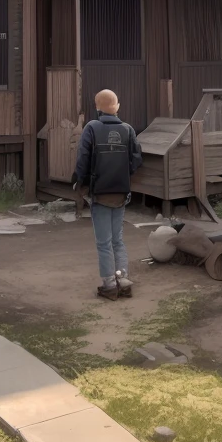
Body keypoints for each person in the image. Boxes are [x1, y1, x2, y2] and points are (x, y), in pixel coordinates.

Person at [73, 88, 143, 301]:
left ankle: (109, 285)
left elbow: (83, 158)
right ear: (117, 107)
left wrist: (79, 182)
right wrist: (123, 174)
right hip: (121, 192)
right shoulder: (128, 129)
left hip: (100, 193)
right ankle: (123, 280)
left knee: (104, 242)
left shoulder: (92, 128)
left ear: (97, 107)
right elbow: (136, 160)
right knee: (118, 240)